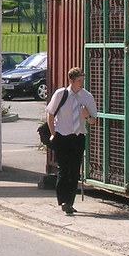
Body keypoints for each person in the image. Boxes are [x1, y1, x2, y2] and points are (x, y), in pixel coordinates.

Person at [46, 67, 97, 215]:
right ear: (71, 81)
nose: (82, 84)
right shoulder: (61, 94)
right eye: (79, 81)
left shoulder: (87, 97)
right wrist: (52, 133)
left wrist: (87, 116)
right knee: (64, 168)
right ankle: (63, 200)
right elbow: (50, 113)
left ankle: (70, 201)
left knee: (74, 171)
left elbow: (93, 120)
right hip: (63, 135)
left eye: (83, 80)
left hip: (78, 136)